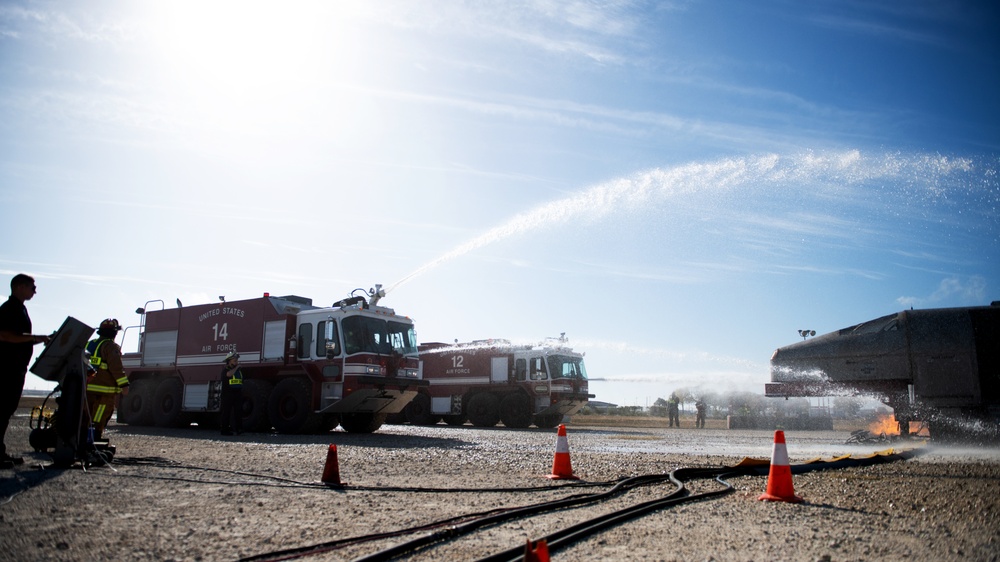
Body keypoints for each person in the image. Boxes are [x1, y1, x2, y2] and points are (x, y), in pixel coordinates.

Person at [0, 274, 50, 467]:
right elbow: (4, 335)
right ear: (20, 287)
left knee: (5, 411)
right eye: (32, 287)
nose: (35, 291)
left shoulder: (19, 308)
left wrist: (40, 339)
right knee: (2, 410)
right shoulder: (9, 309)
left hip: (15, 369)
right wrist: (35, 337)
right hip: (6, 369)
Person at [85, 319, 128, 441]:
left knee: (85, 417)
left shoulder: (89, 344)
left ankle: (82, 440)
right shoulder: (110, 347)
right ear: (115, 333)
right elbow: (116, 368)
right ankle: (94, 441)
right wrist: (124, 385)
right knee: (98, 419)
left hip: (87, 390)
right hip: (104, 393)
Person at [219, 351, 243, 435]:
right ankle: (224, 430)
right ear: (229, 361)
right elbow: (228, 375)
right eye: (234, 360)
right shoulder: (226, 370)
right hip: (227, 394)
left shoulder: (238, 371)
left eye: (236, 360)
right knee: (226, 413)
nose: (236, 362)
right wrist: (236, 368)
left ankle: (238, 429)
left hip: (237, 394)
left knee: (238, 412)